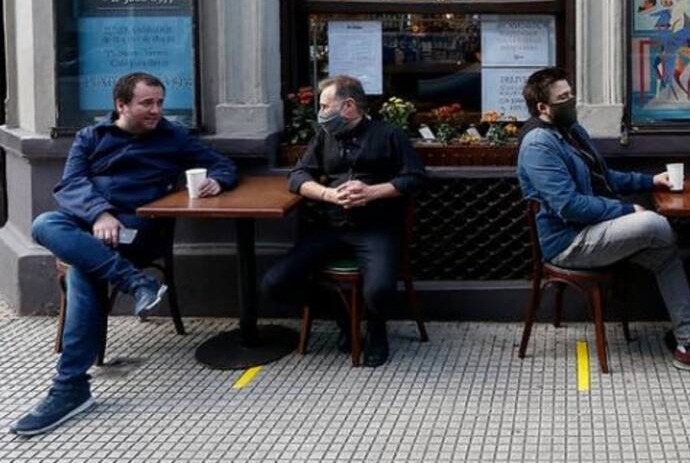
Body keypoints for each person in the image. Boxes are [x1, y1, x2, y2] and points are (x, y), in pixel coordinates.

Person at [11, 72, 238, 437]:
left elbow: (223, 165)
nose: (156, 110)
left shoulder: (172, 136)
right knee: (43, 223)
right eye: (147, 103)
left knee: (84, 269)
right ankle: (136, 282)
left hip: (136, 233)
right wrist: (99, 214)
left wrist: (218, 180)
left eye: (160, 103)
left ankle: (70, 388)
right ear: (121, 105)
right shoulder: (91, 137)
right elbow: (70, 184)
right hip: (91, 227)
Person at [516, 67, 690, 378]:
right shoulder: (538, 145)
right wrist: (624, 211)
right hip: (569, 242)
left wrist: (650, 181)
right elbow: (569, 206)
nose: (572, 101)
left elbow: (604, 177)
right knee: (655, 226)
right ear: (542, 107)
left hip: (594, 231)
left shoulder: (571, 131)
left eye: (571, 94)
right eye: (563, 98)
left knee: (665, 253)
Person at [262, 75, 427, 368]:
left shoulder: (389, 134)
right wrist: (329, 194)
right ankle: (343, 317)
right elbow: (297, 177)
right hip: (332, 227)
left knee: (379, 291)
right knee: (276, 283)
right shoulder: (324, 137)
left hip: (376, 228)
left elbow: (415, 178)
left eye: (325, 106)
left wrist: (371, 192)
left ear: (348, 106)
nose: (321, 113)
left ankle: (375, 328)